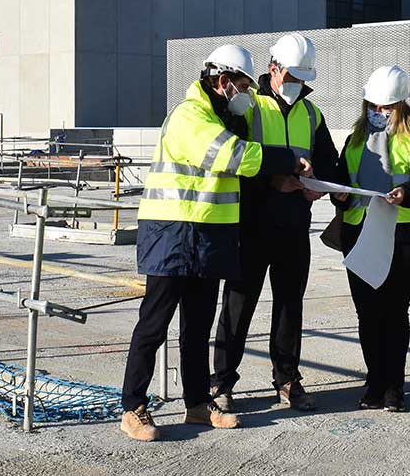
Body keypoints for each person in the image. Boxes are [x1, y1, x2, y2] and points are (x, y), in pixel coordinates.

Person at [119, 44, 312, 442]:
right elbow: (232, 156)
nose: (248, 94)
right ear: (223, 82)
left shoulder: (221, 114)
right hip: (173, 232)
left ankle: (196, 404)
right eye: (243, 85)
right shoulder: (191, 115)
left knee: (198, 325)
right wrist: (287, 158)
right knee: (154, 323)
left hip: (208, 235)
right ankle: (133, 406)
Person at [211, 33, 341, 412]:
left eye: (303, 78)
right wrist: (272, 180)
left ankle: (287, 378)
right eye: (292, 76)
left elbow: (328, 160)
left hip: (295, 224)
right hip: (251, 224)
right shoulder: (247, 108)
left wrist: (319, 183)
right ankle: (222, 383)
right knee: (238, 306)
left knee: (289, 305)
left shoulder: (312, 114)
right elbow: (233, 162)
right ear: (273, 69)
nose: (298, 85)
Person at [331, 66, 410, 413]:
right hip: (359, 231)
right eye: (373, 107)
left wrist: (405, 192)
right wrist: (339, 196)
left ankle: (394, 386)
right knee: (368, 312)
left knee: (393, 309)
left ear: (401, 105)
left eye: (386, 108)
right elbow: (339, 176)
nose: (379, 113)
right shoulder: (356, 137)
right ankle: (375, 380)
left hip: (404, 234)